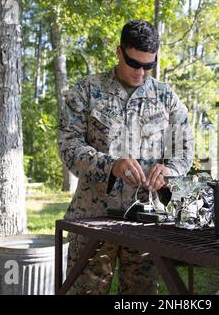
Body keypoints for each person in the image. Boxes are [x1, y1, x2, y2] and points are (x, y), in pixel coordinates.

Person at [58, 19, 194, 295]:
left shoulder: (166, 98)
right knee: (86, 290)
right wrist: (111, 165)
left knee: (140, 294)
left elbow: (184, 150)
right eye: (134, 64)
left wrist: (169, 171)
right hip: (93, 217)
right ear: (119, 52)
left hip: (146, 219)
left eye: (149, 65)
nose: (141, 73)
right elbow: (68, 146)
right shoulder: (86, 90)